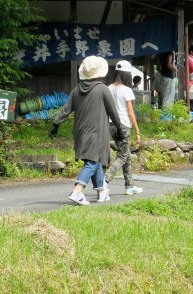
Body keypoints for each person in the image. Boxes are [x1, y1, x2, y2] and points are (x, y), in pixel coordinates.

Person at [51, 56, 124, 206]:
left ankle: (101, 192)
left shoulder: (76, 90)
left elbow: (66, 110)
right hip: (96, 132)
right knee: (92, 161)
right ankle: (77, 192)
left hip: (80, 131)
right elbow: (113, 112)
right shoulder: (102, 89)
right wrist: (120, 129)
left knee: (95, 160)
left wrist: (56, 124)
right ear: (99, 73)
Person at [105, 60, 144, 195]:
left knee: (126, 155)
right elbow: (130, 112)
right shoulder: (127, 90)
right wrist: (138, 131)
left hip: (111, 125)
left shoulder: (108, 88)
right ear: (127, 74)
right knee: (123, 156)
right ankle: (105, 180)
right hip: (123, 126)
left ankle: (129, 186)